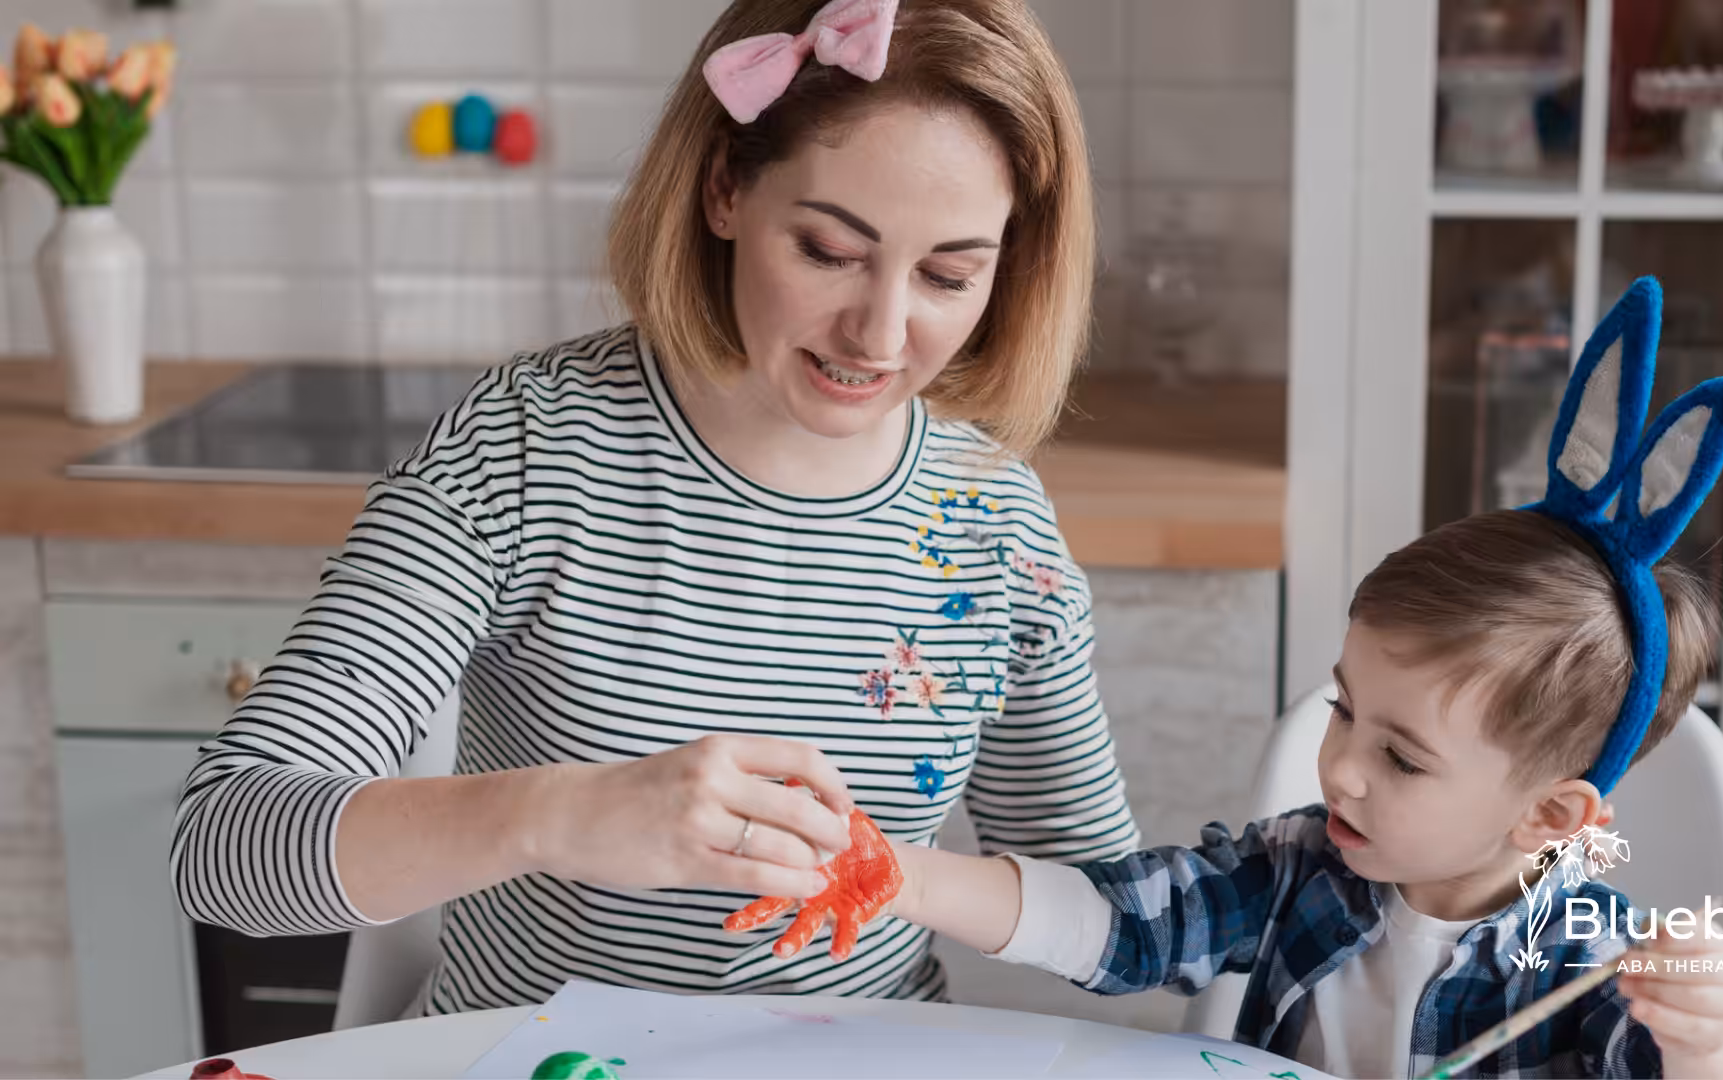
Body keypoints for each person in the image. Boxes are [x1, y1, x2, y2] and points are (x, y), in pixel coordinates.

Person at [170, 0, 1139, 1013]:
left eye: (949, 274)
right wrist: (559, 813)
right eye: (828, 252)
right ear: (724, 187)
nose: (880, 334)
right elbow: (224, 846)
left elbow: (1113, 920)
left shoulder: (994, 527)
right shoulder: (525, 453)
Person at [857, 286, 1723, 1077]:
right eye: (1346, 710)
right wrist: (894, 872)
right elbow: (1112, 922)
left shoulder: (1586, 957)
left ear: (1548, 820)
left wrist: (1712, 1037)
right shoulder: (1296, 871)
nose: (1340, 768)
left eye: (1403, 758)